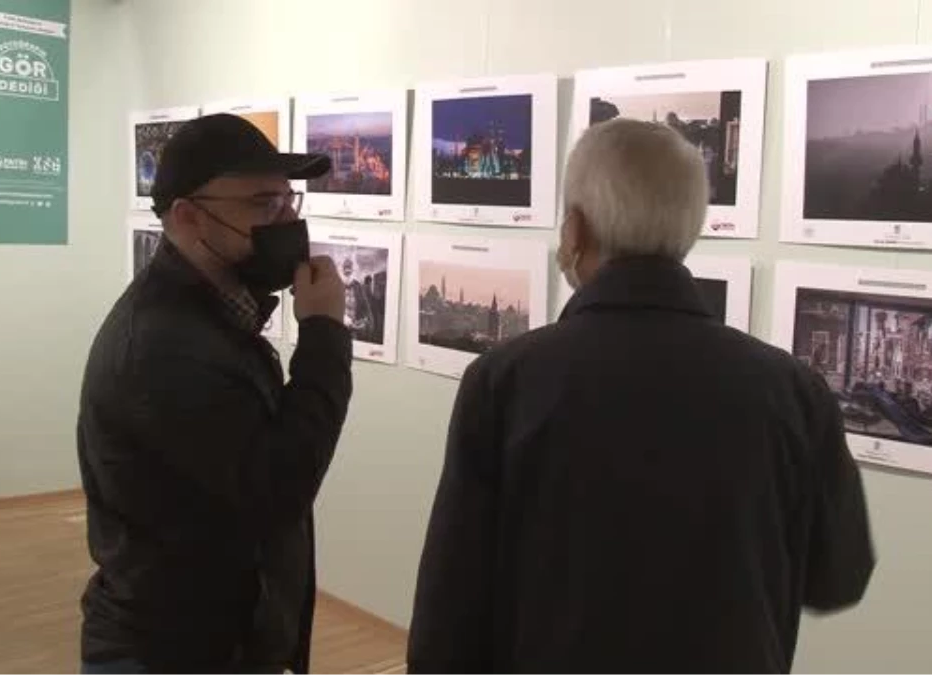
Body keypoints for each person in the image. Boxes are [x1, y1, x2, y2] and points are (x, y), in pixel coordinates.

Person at [407, 118, 876, 675]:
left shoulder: (505, 380)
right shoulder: (794, 390)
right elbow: (838, 576)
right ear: (688, 230)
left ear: (575, 231)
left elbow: (452, 604)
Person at [75, 113, 354, 675]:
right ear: (186, 217)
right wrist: (323, 336)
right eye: (260, 205)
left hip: (217, 639)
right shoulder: (164, 348)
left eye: (286, 202)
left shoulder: (211, 321)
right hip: (172, 652)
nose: (284, 222)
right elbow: (279, 487)